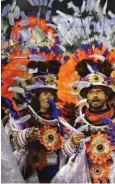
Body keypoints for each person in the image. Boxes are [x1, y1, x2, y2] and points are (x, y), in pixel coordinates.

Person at [56, 44, 115, 183]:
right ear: (85, 95)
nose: (94, 96)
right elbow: (64, 152)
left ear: (107, 95)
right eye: (91, 92)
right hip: (85, 176)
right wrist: (73, 142)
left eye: (98, 92)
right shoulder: (76, 118)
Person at [2, 46, 72, 183]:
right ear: (36, 95)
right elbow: (9, 139)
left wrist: (73, 142)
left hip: (56, 173)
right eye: (45, 93)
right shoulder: (22, 115)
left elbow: (67, 148)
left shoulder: (60, 118)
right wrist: (26, 134)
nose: (49, 97)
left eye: (52, 94)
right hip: (29, 172)